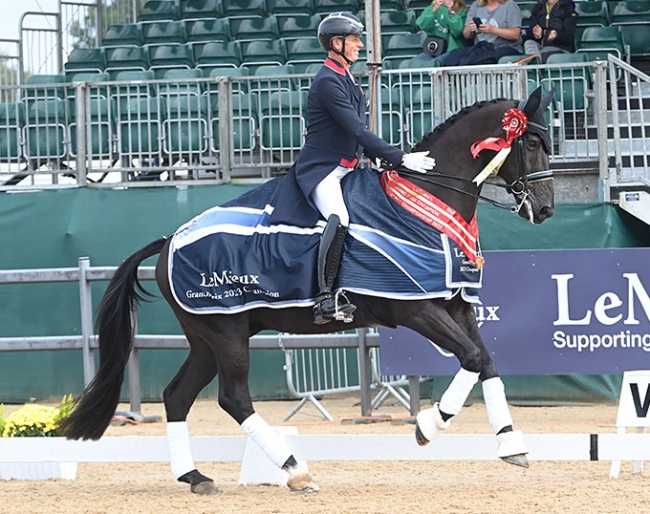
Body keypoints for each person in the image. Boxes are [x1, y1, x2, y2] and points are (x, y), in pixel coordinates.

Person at [269, 12, 436, 325]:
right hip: (323, 170)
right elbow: (357, 130)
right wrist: (400, 157)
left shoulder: (346, 77)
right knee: (340, 217)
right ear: (337, 43)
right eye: (355, 39)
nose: (360, 45)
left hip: (348, 166)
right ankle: (324, 298)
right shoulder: (327, 81)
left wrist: (376, 159)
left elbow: (354, 133)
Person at [440, 0, 523, 65]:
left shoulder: (510, 5)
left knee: (483, 58)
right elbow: (466, 35)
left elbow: (515, 34)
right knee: (455, 55)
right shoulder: (476, 5)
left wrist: (493, 30)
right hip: (480, 48)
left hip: (505, 47)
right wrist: (470, 28)